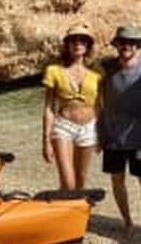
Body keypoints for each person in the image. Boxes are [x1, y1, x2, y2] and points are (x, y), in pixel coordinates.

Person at [98, 26, 141, 235]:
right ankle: (127, 222)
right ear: (116, 45)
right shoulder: (105, 67)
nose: (126, 46)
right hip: (113, 138)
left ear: (138, 46)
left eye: (131, 42)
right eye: (122, 42)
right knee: (117, 181)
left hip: (140, 138)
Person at [42, 24, 102, 189]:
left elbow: (99, 106)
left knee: (81, 180)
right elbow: (48, 108)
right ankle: (65, 210)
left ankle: (72, 213)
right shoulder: (53, 71)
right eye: (73, 40)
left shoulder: (97, 74)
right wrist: (46, 141)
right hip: (63, 127)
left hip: (89, 128)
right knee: (68, 183)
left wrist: (101, 133)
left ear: (88, 46)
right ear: (67, 45)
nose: (78, 44)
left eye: (82, 41)